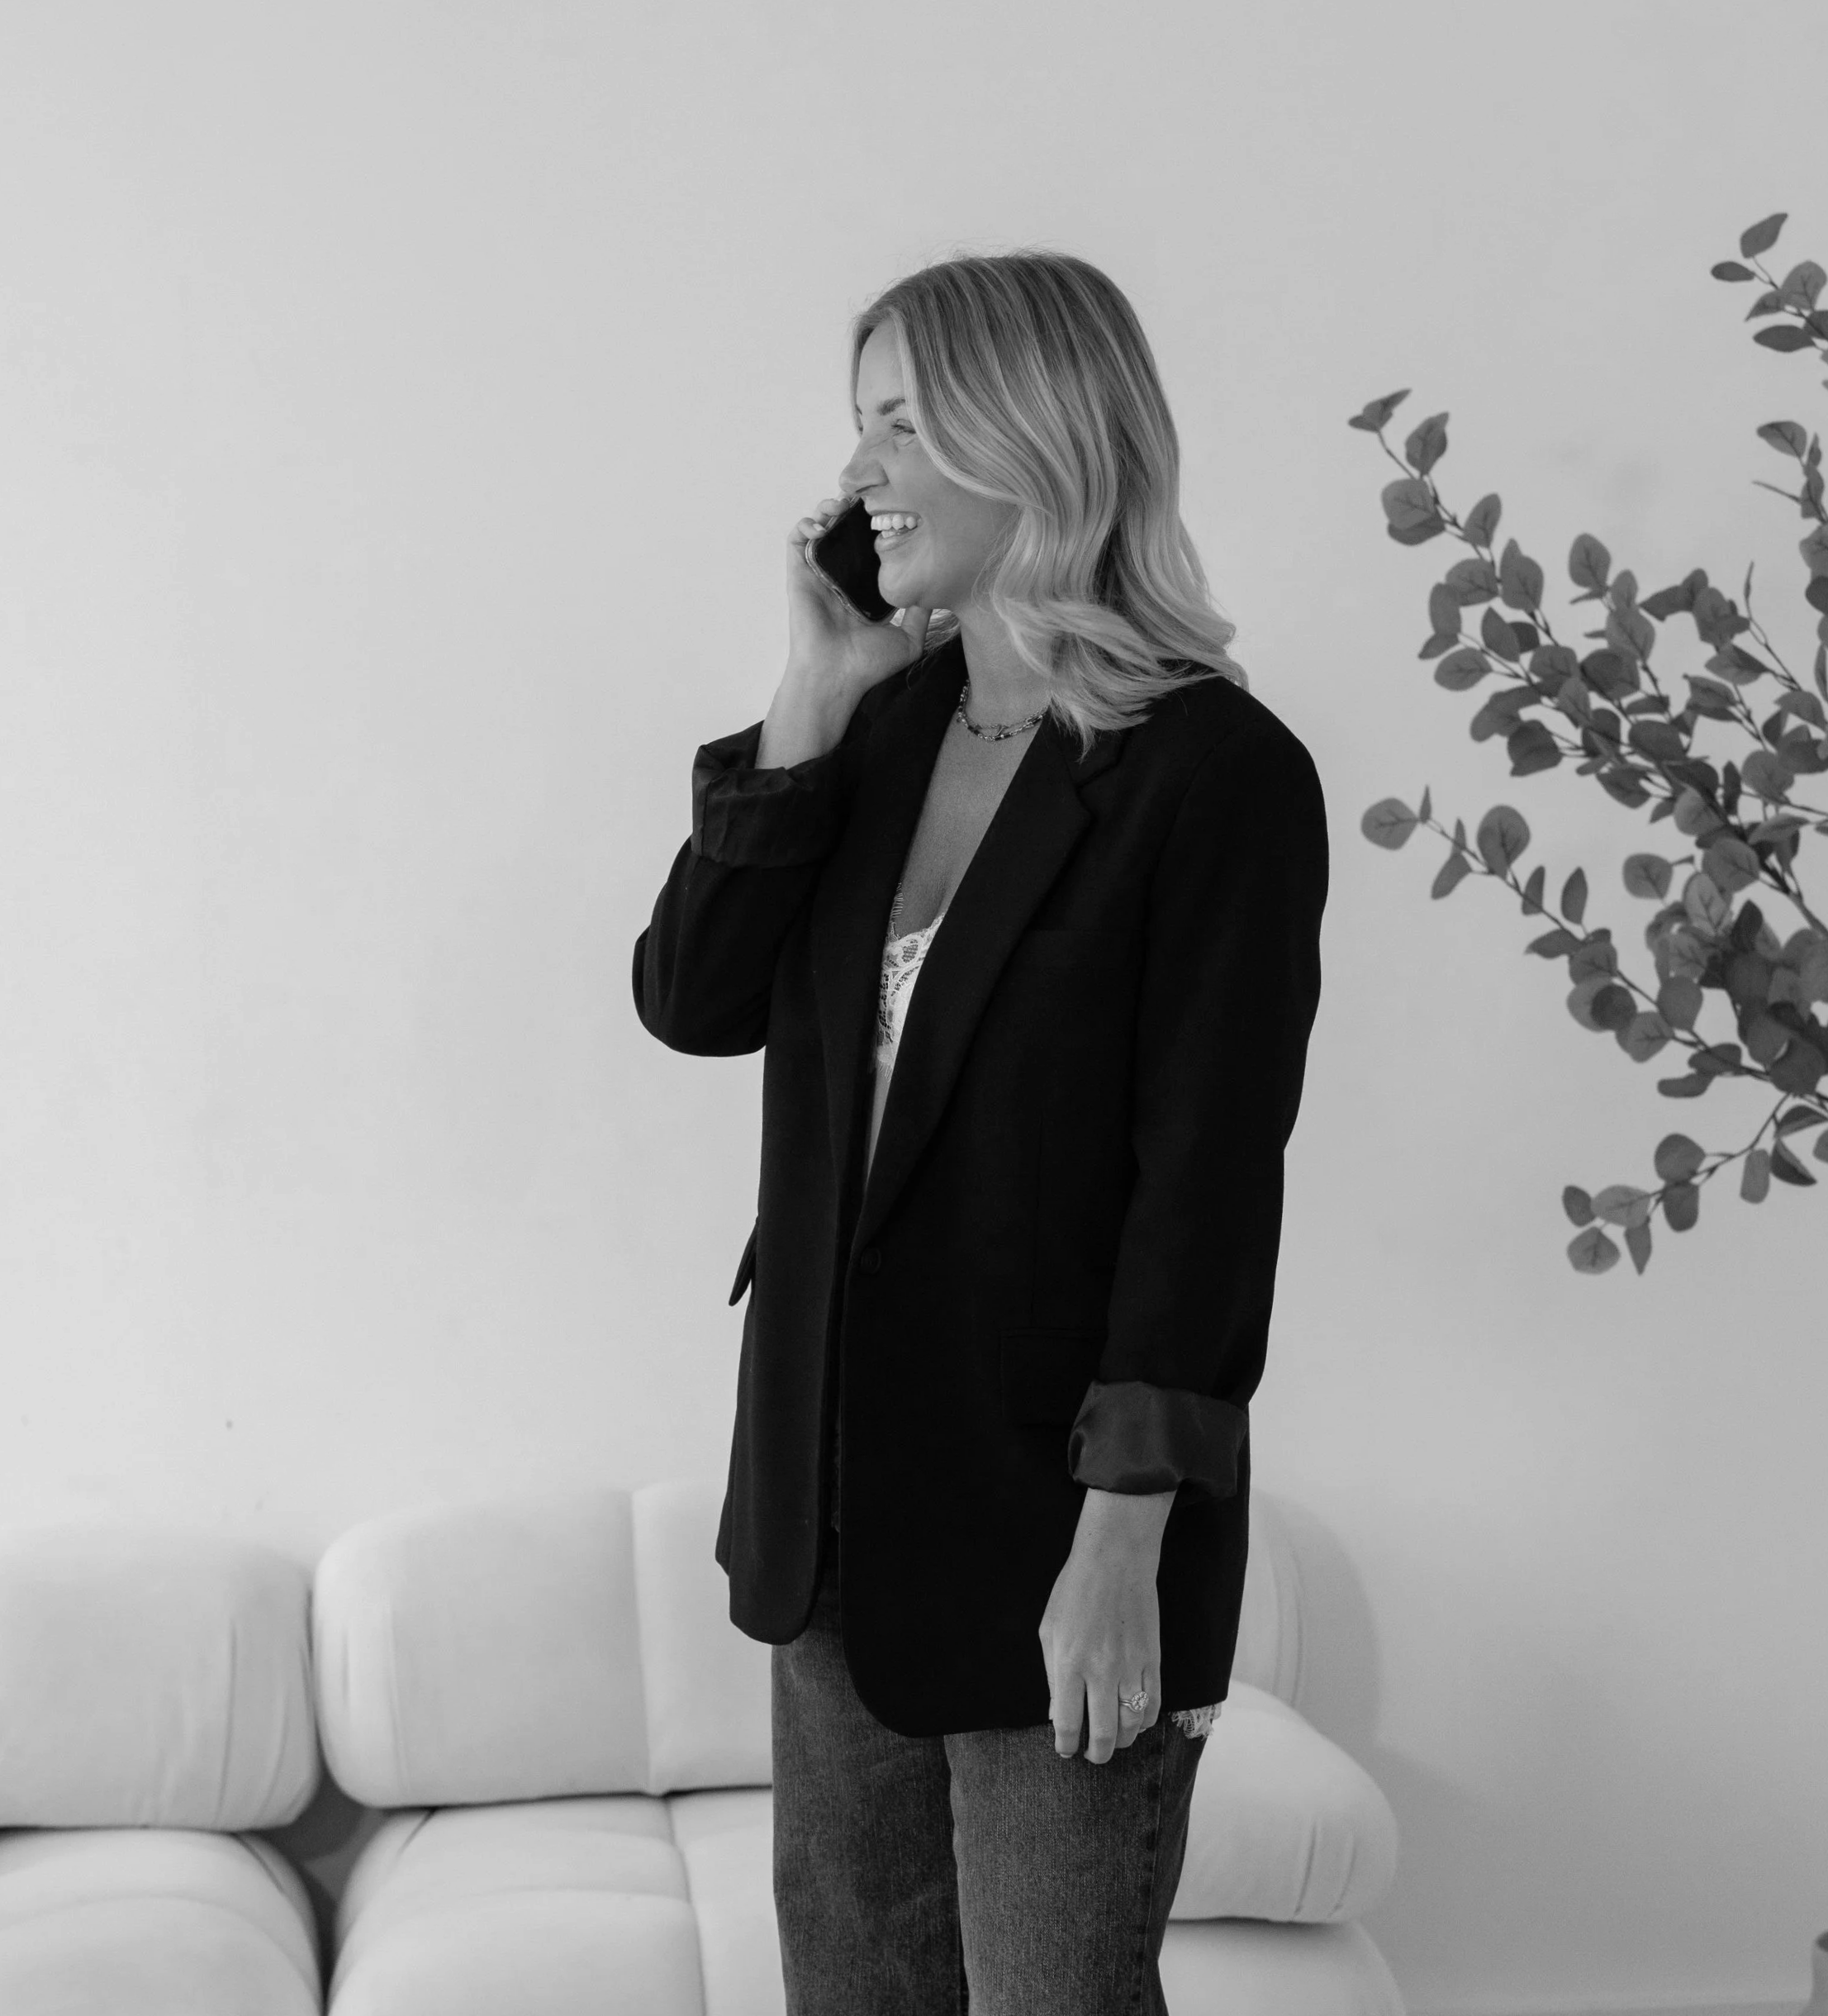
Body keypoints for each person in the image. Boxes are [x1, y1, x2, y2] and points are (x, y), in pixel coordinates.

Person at [631, 250, 1329, 2016]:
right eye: (854, 428)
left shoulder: (1213, 777)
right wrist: (808, 694)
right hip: (831, 1504)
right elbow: (690, 992)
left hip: (1053, 1528)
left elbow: (1203, 1190)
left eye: (898, 424)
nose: (856, 473)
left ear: (1028, 434)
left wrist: (1123, 1548)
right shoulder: (866, 740)